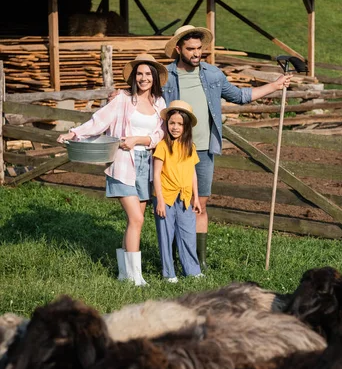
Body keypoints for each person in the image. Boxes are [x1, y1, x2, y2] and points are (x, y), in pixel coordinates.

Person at [110, 25, 291, 271]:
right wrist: (119, 95)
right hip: (171, 150)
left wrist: (275, 85)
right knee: (168, 205)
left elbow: (239, 96)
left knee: (198, 205)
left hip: (203, 150)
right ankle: (171, 259)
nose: (196, 53)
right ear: (178, 49)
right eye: (191, 49)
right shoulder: (166, 76)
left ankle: (198, 261)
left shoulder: (212, 75)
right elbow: (143, 92)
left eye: (199, 48)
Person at [57, 53, 168, 286]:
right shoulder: (123, 99)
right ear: (134, 77)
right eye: (139, 74)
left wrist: (139, 139)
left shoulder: (160, 103)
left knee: (134, 222)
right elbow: (99, 120)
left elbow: (161, 133)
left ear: (155, 77)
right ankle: (136, 277)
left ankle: (123, 273)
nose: (143, 78)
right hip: (122, 164)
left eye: (148, 74)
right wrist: (74, 133)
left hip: (145, 165)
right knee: (136, 219)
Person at [153, 100, 202, 283]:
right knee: (166, 236)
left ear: (186, 126)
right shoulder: (162, 146)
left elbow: (193, 174)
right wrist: (159, 200)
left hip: (185, 197)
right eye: (172, 123)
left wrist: (196, 197)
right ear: (167, 124)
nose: (175, 127)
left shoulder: (190, 147)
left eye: (180, 124)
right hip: (165, 197)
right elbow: (156, 174)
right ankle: (169, 273)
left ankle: (192, 270)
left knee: (188, 234)